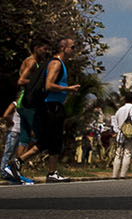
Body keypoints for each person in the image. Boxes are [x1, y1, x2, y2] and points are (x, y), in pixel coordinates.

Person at [40, 37, 82, 182]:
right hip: (52, 105)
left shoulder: (61, 64)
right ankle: (19, 162)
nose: (74, 50)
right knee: (53, 140)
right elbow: (48, 85)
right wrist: (67, 89)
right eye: (72, 47)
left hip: (56, 105)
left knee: (52, 140)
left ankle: (51, 171)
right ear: (63, 48)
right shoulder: (56, 63)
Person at [112, 89, 132, 178]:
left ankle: (114, 175)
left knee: (118, 155)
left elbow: (115, 122)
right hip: (129, 135)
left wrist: (117, 131)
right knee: (127, 153)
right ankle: (123, 175)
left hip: (120, 134)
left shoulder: (120, 110)